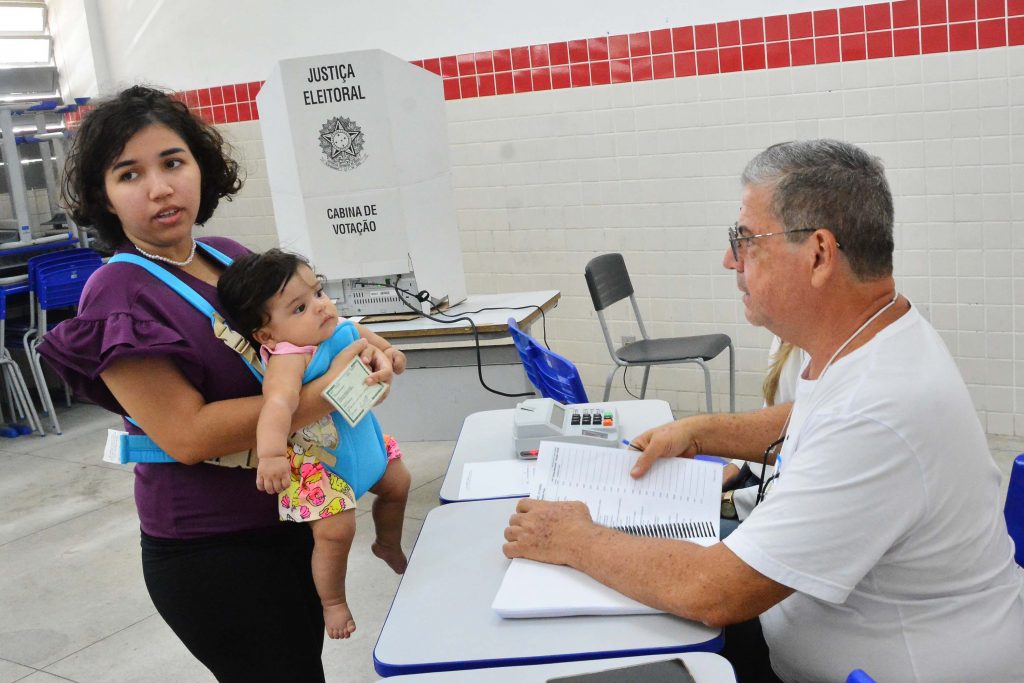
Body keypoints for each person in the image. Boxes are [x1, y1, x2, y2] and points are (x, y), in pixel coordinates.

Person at [503, 140, 1024, 682]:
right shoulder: (871, 338)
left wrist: (576, 540)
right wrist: (704, 433)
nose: (730, 259)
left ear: (819, 254)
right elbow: (813, 417)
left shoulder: (882, 407)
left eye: (745, 240)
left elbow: (715, 591)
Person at [38, 86, 395, 682]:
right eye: (130, 174)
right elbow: (186, 435)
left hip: (285, 517)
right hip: (213, 549)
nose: (159, 188)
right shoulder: (121, 293)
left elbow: (304, 331)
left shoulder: (229, 258)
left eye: (173, 162)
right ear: (105, 195)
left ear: (201, 165)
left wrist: (370, 351)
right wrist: (333, 388)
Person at [216, 248, 411, 639]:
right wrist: (270, 454)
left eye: (318, 293)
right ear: (266, 334)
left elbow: (388, 349)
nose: (321, 307)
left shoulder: (344, 329)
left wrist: (392, 359)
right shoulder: (289, 358)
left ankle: (388, 543)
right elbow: (277, 406)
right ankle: (333, 601)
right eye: (300, 308)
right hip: (322, 467)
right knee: (335, 533)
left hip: (364, 442)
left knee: (399, 483)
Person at [719, 337, 806, 536]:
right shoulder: (783, 335)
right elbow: (770, 420)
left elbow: (798, 493)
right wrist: (735, 466)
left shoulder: (820, 356)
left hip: (768, 500)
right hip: (750, 480)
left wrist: (730, 501)